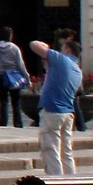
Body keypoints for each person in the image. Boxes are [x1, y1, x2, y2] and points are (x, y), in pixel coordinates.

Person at [31, 32, 81, 176]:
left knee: (50, 149)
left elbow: (33, 44)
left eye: (62, 48)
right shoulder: (77, 70)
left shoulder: (61, 60)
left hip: (52, 110)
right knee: (66, 152)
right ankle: (71, 183)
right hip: (68, 113)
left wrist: (45, 47)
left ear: (67, 50)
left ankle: (56, 183)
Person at [0, 26, 28, 128]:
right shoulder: (15, 48)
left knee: (3, 101)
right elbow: (20, 64)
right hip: (14, 77)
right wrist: (26, 76)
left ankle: (2, 122)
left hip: (0, 76)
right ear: (10, 36)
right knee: (16, 102)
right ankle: (18, 123)